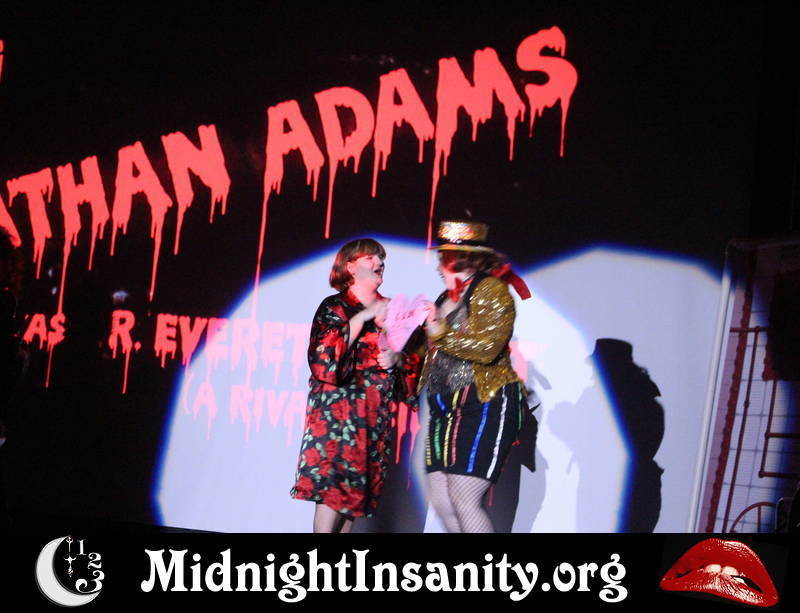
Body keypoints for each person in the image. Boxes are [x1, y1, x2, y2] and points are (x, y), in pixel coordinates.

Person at [290, 238, 420, 533]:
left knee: (353, 501)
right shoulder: (335, 306)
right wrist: (362, 317)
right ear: (350, 267)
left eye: (381, 258)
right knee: (333, 492)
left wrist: (397, 358)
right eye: (370, 258)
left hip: (374, 418)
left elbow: (414, 363)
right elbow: (322, 359)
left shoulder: (392, 310)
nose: (379, 263)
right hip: (338, 418)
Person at [420, 220, 532, 533]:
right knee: (442, 500)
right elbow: (434, 352)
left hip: (483, 401)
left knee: (464, 497)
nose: (439, 264)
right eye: (441, 255)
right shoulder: (445, 297)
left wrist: (440, 331)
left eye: (446, 256)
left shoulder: (491, 290)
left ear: (464, 259)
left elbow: (488, 348)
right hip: (444, 406)